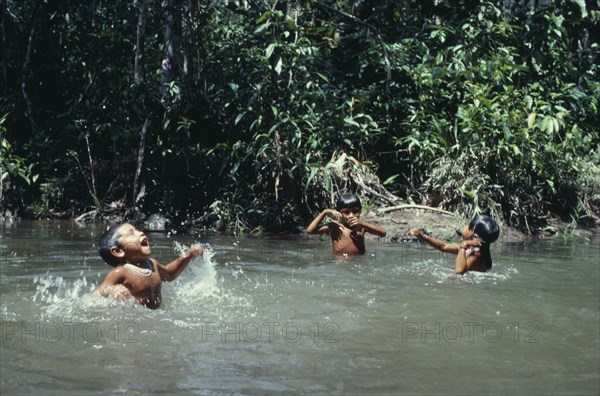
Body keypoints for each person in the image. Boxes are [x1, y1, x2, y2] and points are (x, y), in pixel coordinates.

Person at [94, 223, 203, 309]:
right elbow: (97, 293)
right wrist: (111, 290)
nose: (140, 232)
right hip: (136, 319)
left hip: (156, 316)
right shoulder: (121, 272)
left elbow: (170, 274)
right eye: (131, 233)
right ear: (118, 251)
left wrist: (188, 256)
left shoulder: (152, 264)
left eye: (137, 230)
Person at [407, 214, 499, 274]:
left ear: (471, 231)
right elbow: (444, 246)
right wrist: (422, 236)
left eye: (467, 224)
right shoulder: (476, 248)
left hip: (464, 288)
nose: (465, 226)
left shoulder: (474, 252)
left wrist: (463, 247)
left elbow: (458, 273)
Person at [307, 193, 387, 255]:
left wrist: (363, 223)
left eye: (355, 211)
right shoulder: (335, 227)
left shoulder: (361, 227)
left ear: (360, 211)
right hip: (340, 263)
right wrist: (324, 212)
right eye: (346, 212)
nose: (351, 215)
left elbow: (383, 233)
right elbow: (310, 231)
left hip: (358, 263)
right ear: (339, 213)